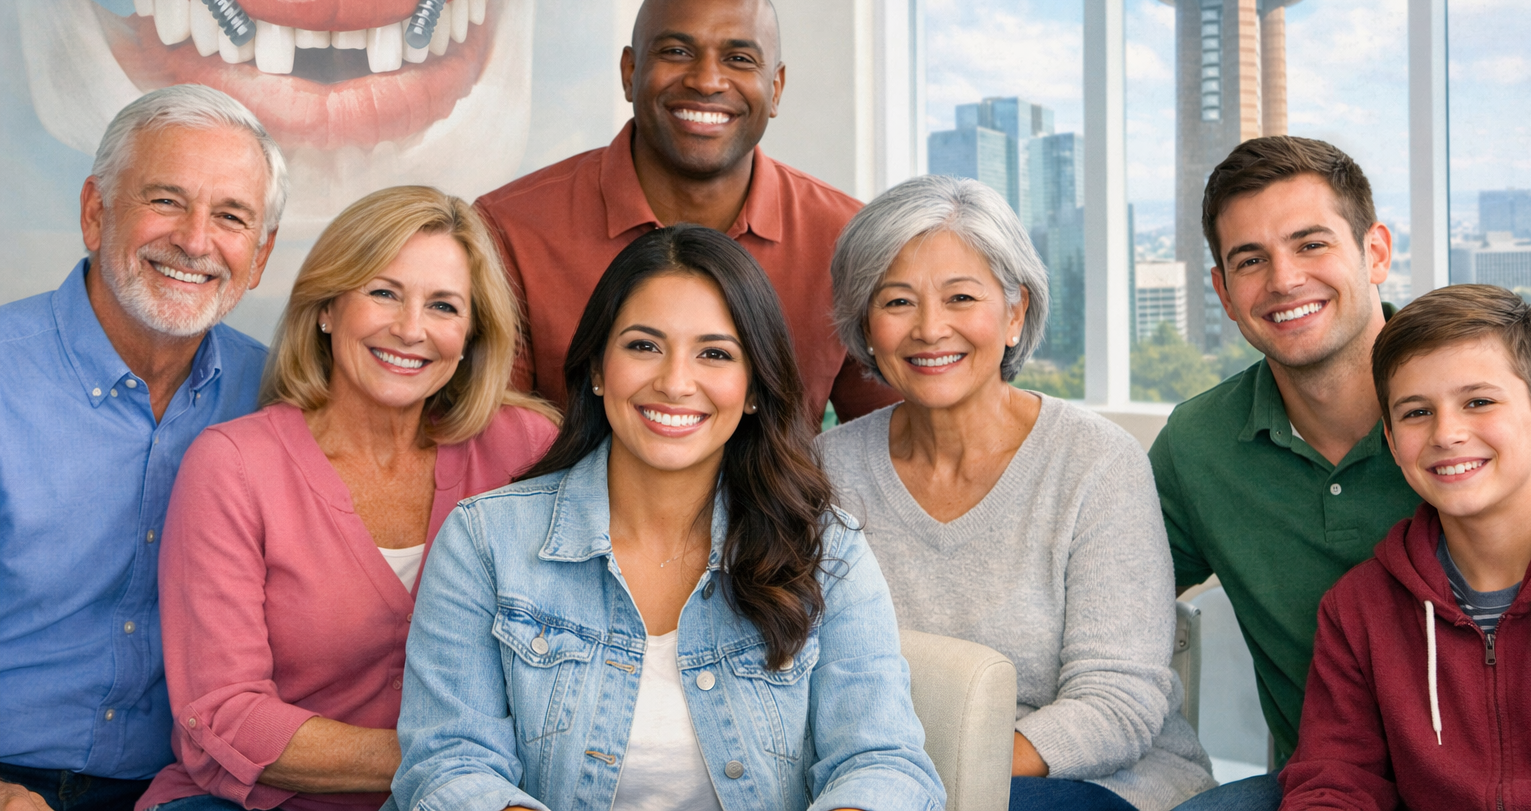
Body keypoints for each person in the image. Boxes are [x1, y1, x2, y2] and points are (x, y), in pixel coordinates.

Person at [389, 225, 944, 811]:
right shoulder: (484, 540)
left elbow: (883, 762)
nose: (676, 383)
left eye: (714, 354)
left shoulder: (826, 549)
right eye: (644, 346)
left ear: (754, 387)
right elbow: (449, 764)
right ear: (598, 369)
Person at [133, 187, 558, 811]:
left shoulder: (524, 449)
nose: (410, 329)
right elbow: (221, 716)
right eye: (383, 292)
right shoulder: (234, 465)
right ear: (328, 307)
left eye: (443, 306)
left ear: (471, 333)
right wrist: (451, 765)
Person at [820, 175, 1215, 811]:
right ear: (866, 327)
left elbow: (1118, 702)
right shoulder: (825, 474)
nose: (930, 328)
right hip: (881, 782)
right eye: (897, 302)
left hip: (1092, 782)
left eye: (960, 297)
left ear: (1014, 313)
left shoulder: (1096, 462)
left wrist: (939, 779)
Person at [0, 86, 286, 811]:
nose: (195, 241)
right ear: (97, 214)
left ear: (259, 257)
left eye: (230, 217)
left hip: (184, 791)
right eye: (166, 201)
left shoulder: (275, 397)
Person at [474, 0, 896, 424]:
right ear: (630, 71)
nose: (707, 80)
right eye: (677, 51)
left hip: (782, 499)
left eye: (738, 59)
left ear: (775, 89)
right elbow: (492, 441)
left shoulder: (849, 239)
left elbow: (893, 438)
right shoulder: (509, 229)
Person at [1151, 138, 1422, 811]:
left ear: (1376, 253)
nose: (1284, 280)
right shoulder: (1198, 445)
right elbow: (1103, 596)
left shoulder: (1479, 408)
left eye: (1311, 244)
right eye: (1250, 260)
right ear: (1223, 292)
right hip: (1323, 786)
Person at [1278, 285, 1531, 810]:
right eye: (1417, 412)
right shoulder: (1359, 609)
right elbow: (1337, 778)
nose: (1448, 433)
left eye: (1478, 402)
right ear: (1393, 444)